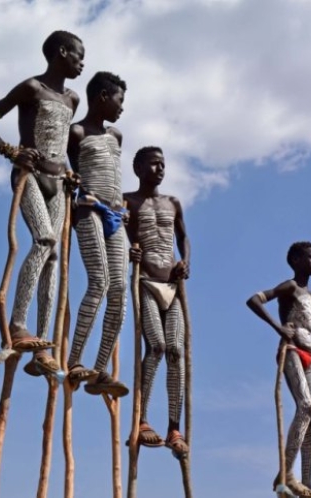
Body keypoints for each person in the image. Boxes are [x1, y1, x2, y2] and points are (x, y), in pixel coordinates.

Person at [0, 30, 84, 375]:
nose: (82, 63)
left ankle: (42, 347)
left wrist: (72, 173)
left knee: (54, 257)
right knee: (44, 241)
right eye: (78, 55)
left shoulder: (73, 99)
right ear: (61, 52)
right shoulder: (31, 89)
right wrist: (10, 151)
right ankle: (18, 324)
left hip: (58, 183)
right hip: (30, 176)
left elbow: (63, 144)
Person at [246, 241, 311, 497]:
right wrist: (278, 327)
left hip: (309, 354)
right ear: (295, 260)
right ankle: (286, 472)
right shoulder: (289, 287)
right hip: (291, 351)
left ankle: (305, 482)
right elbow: (254, 300)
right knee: (306, 406)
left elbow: (307, 328)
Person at [63, 71, 128, 391]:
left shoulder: (115, 136)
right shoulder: (75, 132)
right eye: (119, 100)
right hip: (90, 209)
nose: (122, 107)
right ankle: (75, 361)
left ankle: (99, 371)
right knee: (99, 282)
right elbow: (70, 168)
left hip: (116, 214)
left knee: (120, 290)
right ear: (103, 96)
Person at [124, 146, 190, 455]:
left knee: (176, 350)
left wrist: (185, 261)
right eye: (153, 164)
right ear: (138, 169)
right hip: (146, 281)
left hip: (172, 285)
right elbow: (116, 232)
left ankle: (174, 427)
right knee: (157, 346)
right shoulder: (128, 201)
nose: (160, 169)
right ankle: (142, 419)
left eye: (162, 164)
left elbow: (183, 237)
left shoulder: (172, 203)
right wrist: (129, 252)